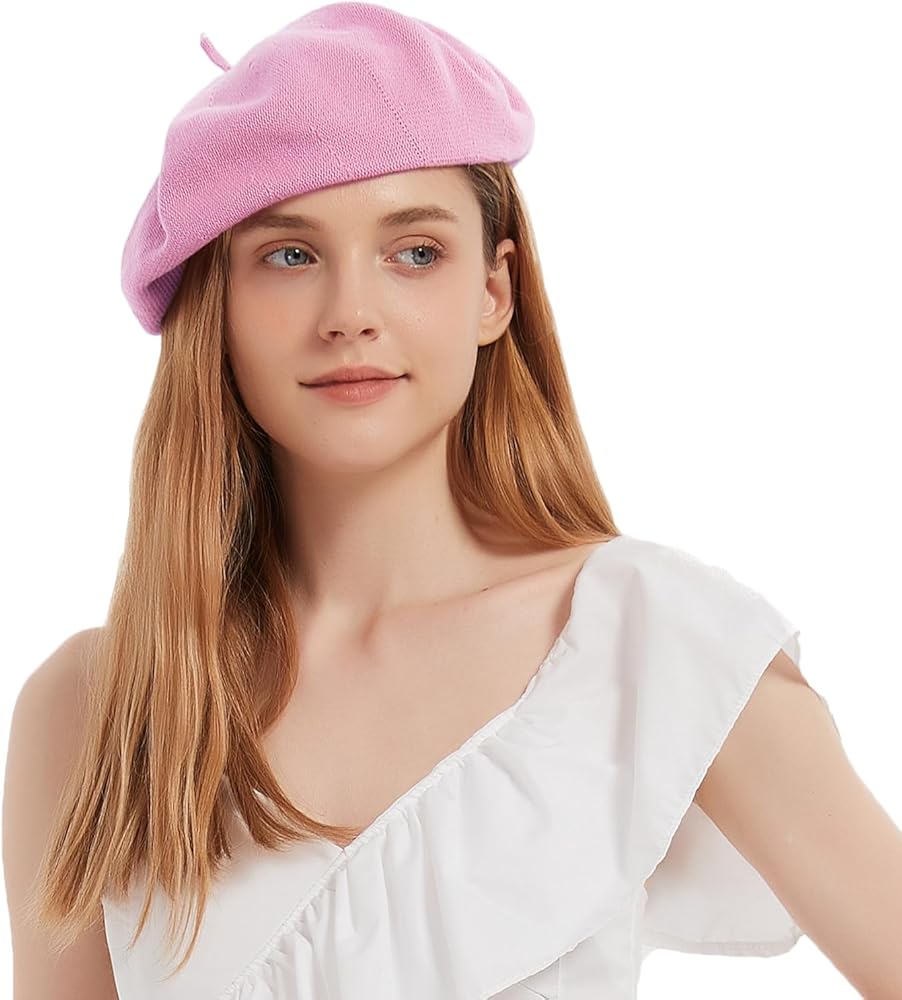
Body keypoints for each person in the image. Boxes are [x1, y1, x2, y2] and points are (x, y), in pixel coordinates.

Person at [5, 4, 900, 998]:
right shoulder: (96, 705)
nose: (351, 314)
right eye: (289, 255)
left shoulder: (654, 643)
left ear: (494, 290)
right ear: (216, 305)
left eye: (415, 252)